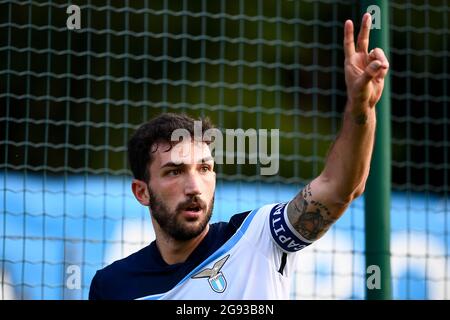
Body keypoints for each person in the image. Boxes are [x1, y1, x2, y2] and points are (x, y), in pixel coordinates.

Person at [89, 13, 389, 300]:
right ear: (142, 191)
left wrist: (360, 108)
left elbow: (340, 187)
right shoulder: (113, 286)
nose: (194, 186)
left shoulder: (259, 238)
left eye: (204, 168)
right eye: (174, 172)